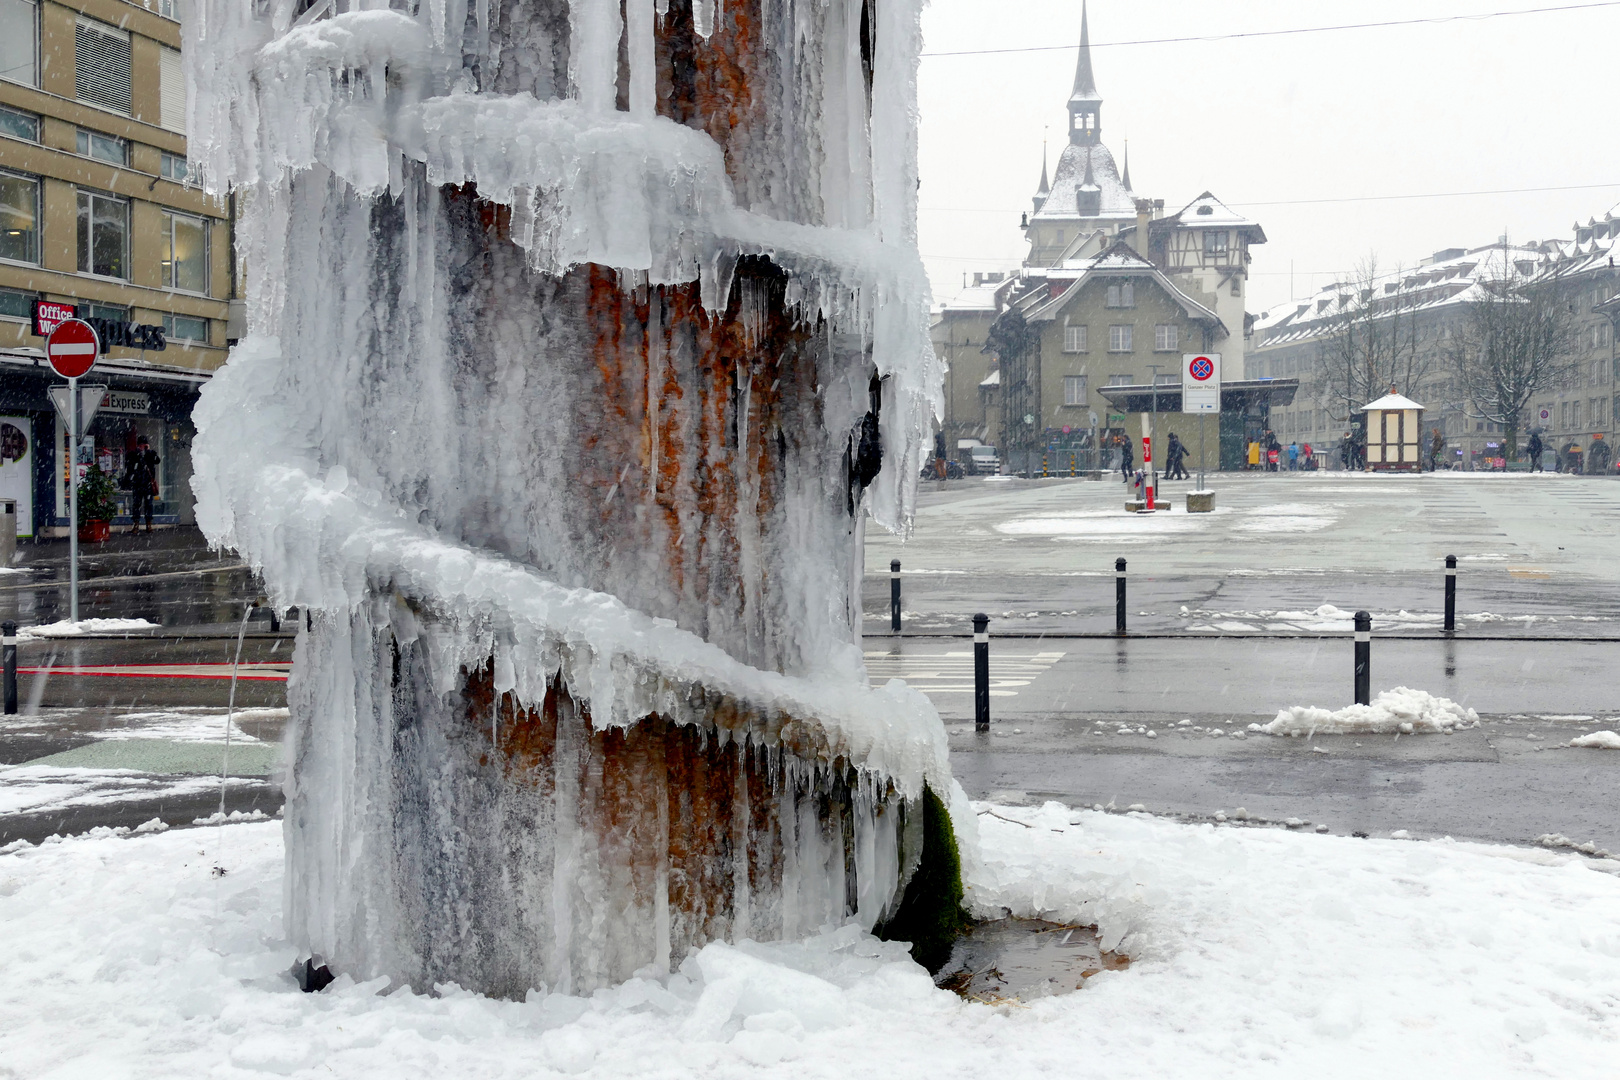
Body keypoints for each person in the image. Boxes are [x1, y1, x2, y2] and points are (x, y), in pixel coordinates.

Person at [123, 436, 160, 533]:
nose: (142, 447)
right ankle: (136, 524)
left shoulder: (151, 453)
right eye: (141, 445)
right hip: (138, 483)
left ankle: (149, 524)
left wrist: (149, 451)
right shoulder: (134, 454)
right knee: (136, 504)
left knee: (148, 504)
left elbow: (157, 460)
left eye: (144, 445)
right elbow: (129, 465)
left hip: (147, 483)